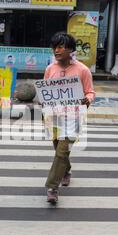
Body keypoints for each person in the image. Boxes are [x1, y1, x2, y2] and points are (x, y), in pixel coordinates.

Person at [43, 32, 96, 204]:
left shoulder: (82, 70)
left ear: (70, 49)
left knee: (61, 152)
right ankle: (66, 170)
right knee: (59, 148)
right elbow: (45, 91)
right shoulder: (50, 69)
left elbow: (90, 92)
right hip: (54, 117)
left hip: (73, 117)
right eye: (54, 47)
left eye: (60, 46)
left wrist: (86, 100)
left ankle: (52, 187)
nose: (56, 50)